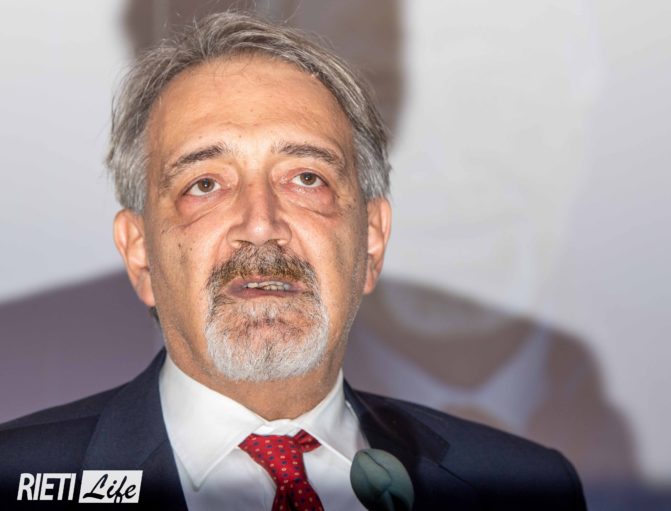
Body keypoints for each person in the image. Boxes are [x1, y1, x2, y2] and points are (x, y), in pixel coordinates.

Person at [0, 12, 586, 510]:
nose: (261, 224)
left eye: (307, 178)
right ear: (140, 254)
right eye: (205, 184)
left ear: (372, 241)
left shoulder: (525, 488)